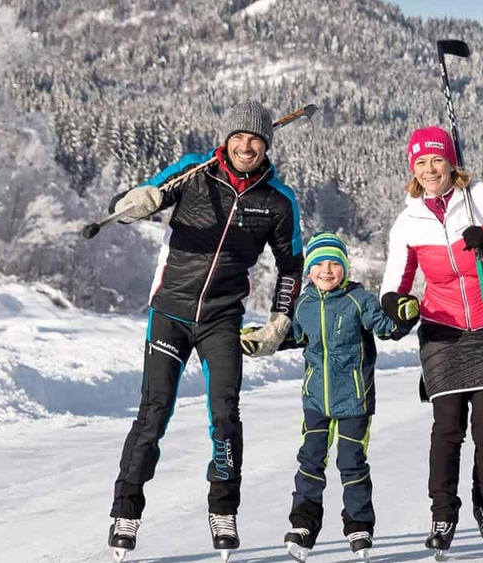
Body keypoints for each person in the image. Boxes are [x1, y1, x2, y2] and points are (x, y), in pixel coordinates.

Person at [105, 101, 304, 560]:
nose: (246, 146)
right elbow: (141, 197)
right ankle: (125, 512)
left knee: (224, 415)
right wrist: (135, 202)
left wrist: (279, 320)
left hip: (221, 318)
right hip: (170, 313)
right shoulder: (194, 172)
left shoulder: (277, 201)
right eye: (239, 137)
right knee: (153, 414)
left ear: (265, 145)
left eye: (255, 140)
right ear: (227, 139)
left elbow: (291, 265)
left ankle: (223, 509)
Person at [380, 126, 483, 556]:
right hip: (441, 331)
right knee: (447, 428)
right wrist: (395, 305)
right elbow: (396, 283)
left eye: (437, 160)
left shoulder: (482, 198)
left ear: (451, 162)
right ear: (413, 168)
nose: (429, 169)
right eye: (421, 163)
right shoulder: (409, 220)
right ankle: (443, 515)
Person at [242, 231, 419, 563]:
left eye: (334, 264)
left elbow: (386, 327)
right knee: (310, 462)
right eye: (319, 264)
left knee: (351, 464)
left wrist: (405, 315)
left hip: (354, 400)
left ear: (345, 268)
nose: (326, 270)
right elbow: (291, 336)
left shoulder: (358, 299)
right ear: (309, 271)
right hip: (315, 400)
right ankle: (304, 524)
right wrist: (258, 341)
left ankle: (358, 524)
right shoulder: (304, 304)